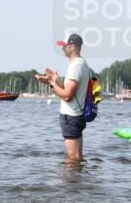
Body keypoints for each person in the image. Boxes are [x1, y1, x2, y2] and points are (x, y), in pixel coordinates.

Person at [35, 33, 90, 161]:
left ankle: (71, 180)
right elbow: (68, 91)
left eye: (64, 46)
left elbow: (67, 96)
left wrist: (52, 84)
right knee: (77, 157)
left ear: (72, 46)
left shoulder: (75, 66)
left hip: (71, 116)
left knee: (73, 158)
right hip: (75, 115)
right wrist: (54, 80)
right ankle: (76, 180)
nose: (62, 48)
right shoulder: (81, 63)